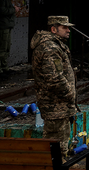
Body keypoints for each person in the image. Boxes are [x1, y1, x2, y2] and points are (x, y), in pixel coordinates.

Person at [31, 16, 76, 160]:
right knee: (55, 139)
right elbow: (54, 78)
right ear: (53, 29)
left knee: (62, 138)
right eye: (65, 27)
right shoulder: (49, 47)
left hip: (60, 103)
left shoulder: (56, 45)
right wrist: (69, 93)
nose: (68, 30)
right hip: (54, 103)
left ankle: (62, 162)